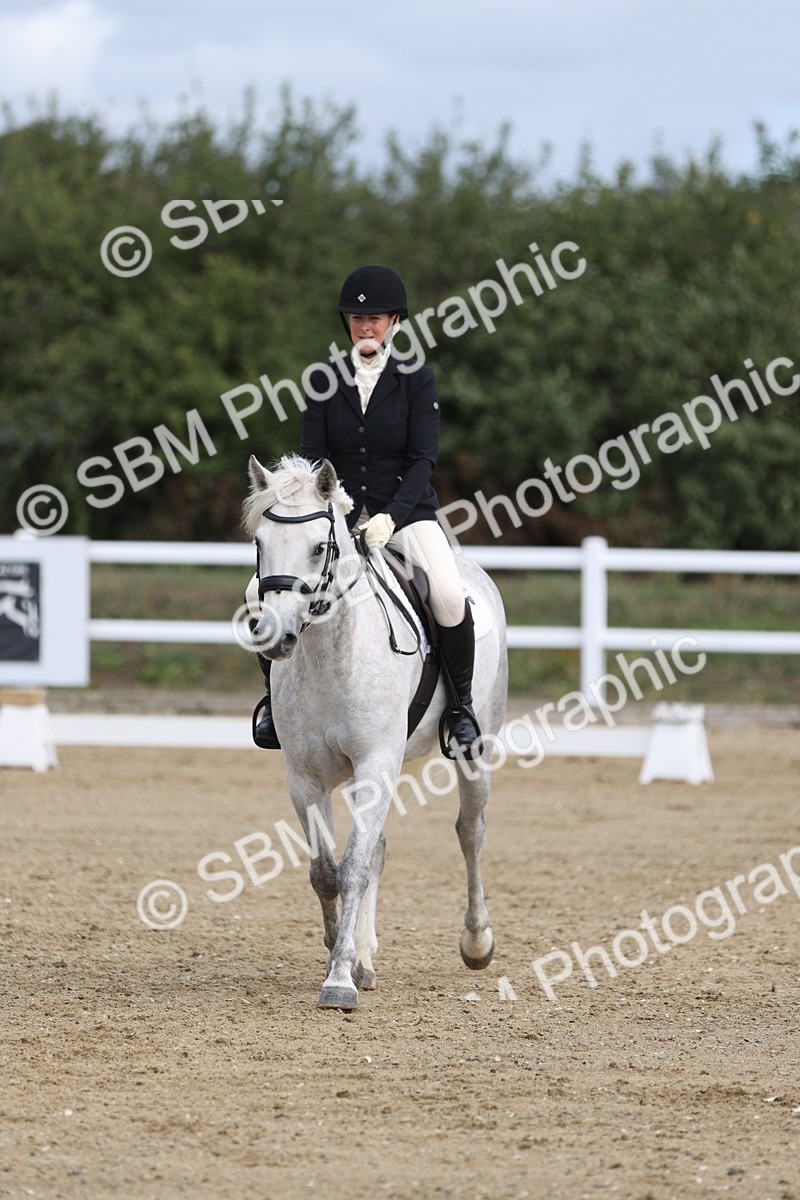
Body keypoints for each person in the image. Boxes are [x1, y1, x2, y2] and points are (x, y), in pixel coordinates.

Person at [250, 263, 482, 759]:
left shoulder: (418, 380)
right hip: (335, 516)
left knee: (445, 592)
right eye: (356, 318)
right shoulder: (322, 380)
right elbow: (313, 462)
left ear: (395, 320)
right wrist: (328, 511)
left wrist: (392, 517)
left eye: (374, 317)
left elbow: (423, 460)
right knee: (261, 589)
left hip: (408, 514)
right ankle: (275, 701)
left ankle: (460, 707)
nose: (365, 326)